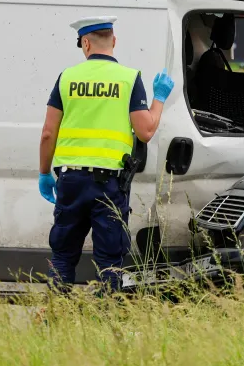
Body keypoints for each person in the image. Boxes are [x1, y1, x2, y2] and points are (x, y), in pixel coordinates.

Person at [38, 16, 174, 294]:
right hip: (109, 185)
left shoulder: (67, 78)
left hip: (70, 181)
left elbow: (48, 134)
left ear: (85, 43)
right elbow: (146, 131)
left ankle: (55, 316)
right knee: (110, 261)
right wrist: (159, 98)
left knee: (63, 255)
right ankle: (104, 319)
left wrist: (43, 173)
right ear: (114, 41)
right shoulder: (128, 79)